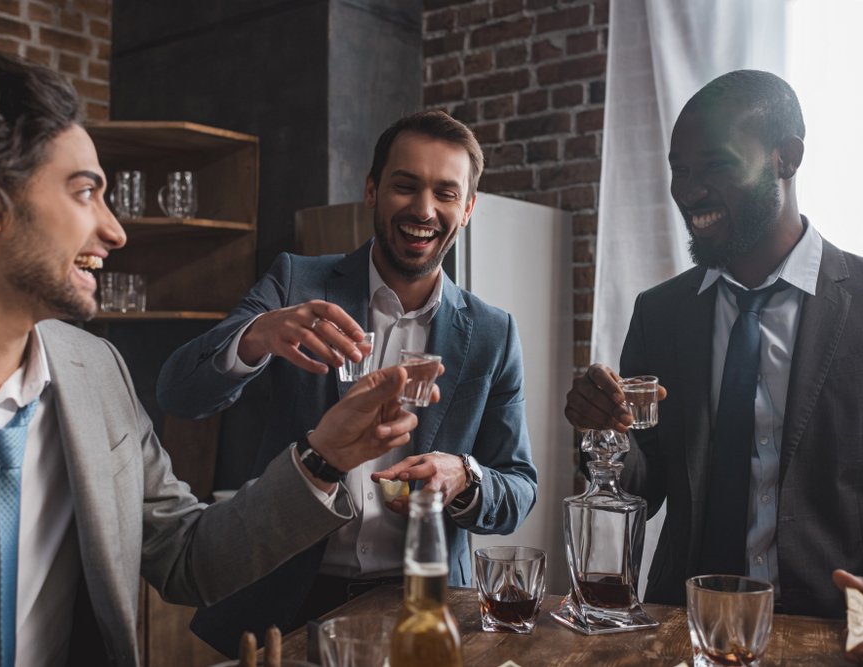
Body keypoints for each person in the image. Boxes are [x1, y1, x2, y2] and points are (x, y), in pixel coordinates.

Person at [0, 51, 423, 667]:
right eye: (85, 193)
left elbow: (187, 559)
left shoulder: (95, 370)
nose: (115, 230)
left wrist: (326, 458)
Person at [158, 110, 537, 653]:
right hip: (285, 600)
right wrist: (258, 335)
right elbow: (179, 392)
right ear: (372, 190)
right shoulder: (295, 280)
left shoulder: (494, 333)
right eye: (405, 185)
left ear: (468, 208)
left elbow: (520, 486)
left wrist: (464, 476)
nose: (424, 209)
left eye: (446, 193)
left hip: (422, 606)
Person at [564, 69, 863, 618]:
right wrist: (601, 432)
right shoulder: (660, 313)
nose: (689, 191)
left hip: (832, 631)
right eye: (679, 170)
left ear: (787, 158)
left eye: (716, 166)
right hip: (683, 624)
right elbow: (642, 489)